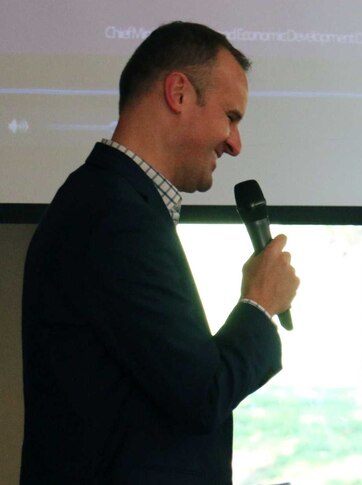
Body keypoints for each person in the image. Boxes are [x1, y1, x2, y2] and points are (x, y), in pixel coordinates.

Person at [20, 21, 299, 484]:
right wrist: (259, 305)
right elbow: (201, 394)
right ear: (179, 93)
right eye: (230, 116)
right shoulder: (115, 215)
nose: (235, 142)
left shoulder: (114, 203)